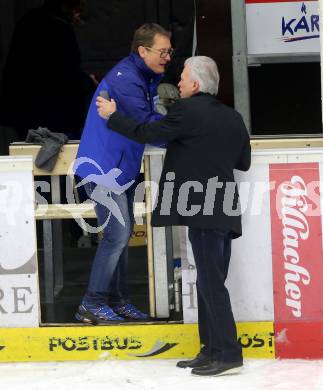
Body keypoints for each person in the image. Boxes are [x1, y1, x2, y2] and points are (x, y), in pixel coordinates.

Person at [96, 56, 251, 376]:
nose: (177, 83)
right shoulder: (234, 117)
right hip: (224, 207)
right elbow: (243, 162)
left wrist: (113, 116)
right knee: (211, 281)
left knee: (211, 283)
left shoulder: (187, 111)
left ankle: (228, 353)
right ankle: (210, 349)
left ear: (195, 85)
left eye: (182, 78)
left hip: (201, 209)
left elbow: (146, 131)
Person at [74, 23, 173, 323]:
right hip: (103, 169)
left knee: (122, 233)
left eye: (170, 51)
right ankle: (92, 303)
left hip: (121, 168)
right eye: (163, 51)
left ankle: (118, 302)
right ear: (142, 51)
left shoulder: (144, 76)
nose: (168, 57)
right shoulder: (125, 79)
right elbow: (146, 127)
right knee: (117, 235)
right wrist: (184, 133)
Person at [0, 0, 94, 142]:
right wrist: (89, 83)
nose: (78, 17)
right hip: (57, 115)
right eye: (77, 11)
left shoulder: (27, 21)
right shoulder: (61, 29)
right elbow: (67, 73)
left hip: (26, 112)